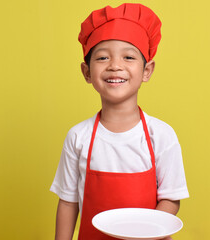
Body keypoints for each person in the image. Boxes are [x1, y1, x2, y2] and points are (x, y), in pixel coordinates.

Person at [50, 3, 189, 240]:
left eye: (129, 56)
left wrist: (145, 232)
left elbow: (171, 198)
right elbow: (68, 202)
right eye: (103, 57)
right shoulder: (78, 137)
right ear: (86, 72)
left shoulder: (161, 135)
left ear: (147, 70)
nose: (115, 65)